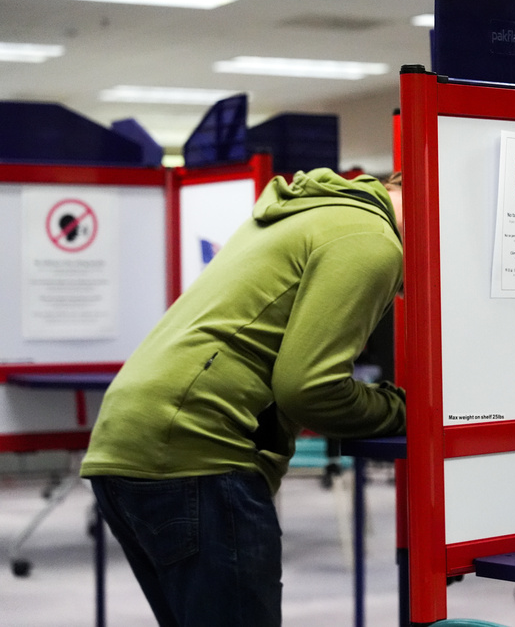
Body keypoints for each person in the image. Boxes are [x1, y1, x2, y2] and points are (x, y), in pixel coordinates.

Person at [80, 168, 405, 627]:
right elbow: (310, 390)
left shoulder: (305, 213)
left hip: (129, 439)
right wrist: (407, 410)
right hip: (199, 448)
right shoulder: (369, 239)